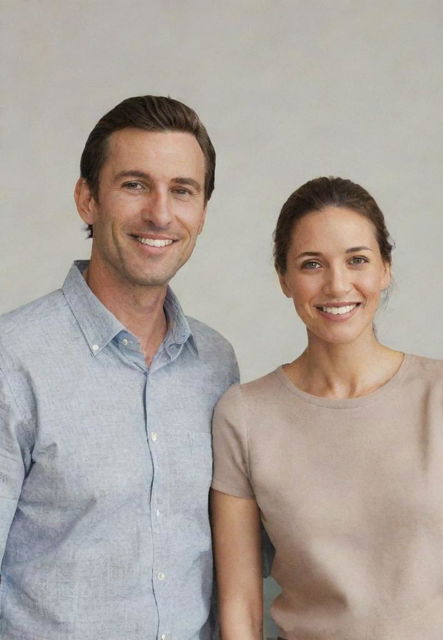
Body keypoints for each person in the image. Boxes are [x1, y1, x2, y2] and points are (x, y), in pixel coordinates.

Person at [211, 176, 443, 640]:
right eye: (312, 264)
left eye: (357, 260)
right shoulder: (244, 415)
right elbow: (240, 604)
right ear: (284, 279)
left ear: (384, 269)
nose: (337, 285)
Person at [0, 96, 238, 639]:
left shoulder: (216, 364)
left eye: (183, 190)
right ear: (88, 199)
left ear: (201, 211)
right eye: (134, 184)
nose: (160, 213)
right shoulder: (12, 360)